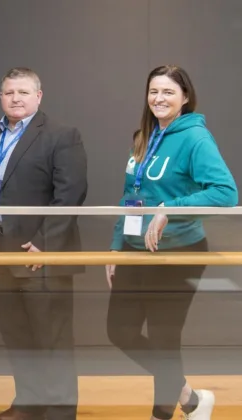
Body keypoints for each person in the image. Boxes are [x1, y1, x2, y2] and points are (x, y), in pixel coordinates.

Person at [105, 65, 237, 420]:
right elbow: (130, 195)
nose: (159, 99)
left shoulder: (196, 138)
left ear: (185, 97)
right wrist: (116, 246)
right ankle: (191, 399)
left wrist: (170, 209)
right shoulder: (144, 136)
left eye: (167, 92)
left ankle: (161, 414)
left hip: (178, 254)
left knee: (164, 339)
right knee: (119, 330)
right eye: (153, 92)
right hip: (136, 251)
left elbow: (226, 193)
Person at [0, 67, 87, 420]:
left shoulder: (62, 135)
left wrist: (44, 245)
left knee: (53, 339)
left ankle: (60, 412)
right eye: (8, 92)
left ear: (39, 96)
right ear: (0, 96)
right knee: (16, 334)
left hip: (39, 254)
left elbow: (71, 195)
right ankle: (30, 403)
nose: (15, 98)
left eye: (23, 92)